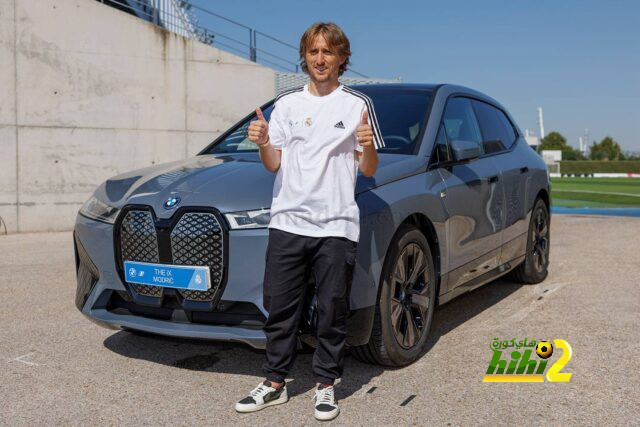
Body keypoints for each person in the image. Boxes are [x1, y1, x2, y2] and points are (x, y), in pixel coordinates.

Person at [235, 22, 384, 421]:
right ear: (305, 57)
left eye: (328, 52)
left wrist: (367, 146)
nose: (320, 59)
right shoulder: (286, 105)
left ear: (341, 59)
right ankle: (274, 382)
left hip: (336, 224)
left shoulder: (356, 105)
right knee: (279, 306)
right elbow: (274, 165)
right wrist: (264, 141)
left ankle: (324, 385)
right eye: (314, 52)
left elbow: (367, 168)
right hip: (288, 221)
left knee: (332, 309)